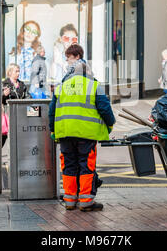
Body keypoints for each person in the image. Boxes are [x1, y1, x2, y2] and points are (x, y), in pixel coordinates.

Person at [49, 44, 115, 212]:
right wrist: (110, 124)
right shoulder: (93, 85)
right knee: (86, 165)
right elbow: (105, 108)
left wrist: (52, 130)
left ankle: (70, 200)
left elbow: (52, 111)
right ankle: (85, 201)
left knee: (69, 165)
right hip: (86, 133)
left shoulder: (62, 86)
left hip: (64, 132)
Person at [0, 63, 28, 162]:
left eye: (19, 71)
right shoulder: (5, 84)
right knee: (4, 135)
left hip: (20, 113)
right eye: (16, 71)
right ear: (10, 72)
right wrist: (3, 94)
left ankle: (18, 155)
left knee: (19, 134)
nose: (18, 73)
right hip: (8, 113)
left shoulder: (22, 84)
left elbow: (27, 97)